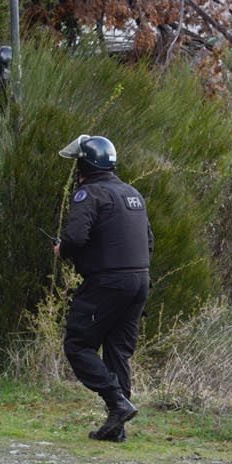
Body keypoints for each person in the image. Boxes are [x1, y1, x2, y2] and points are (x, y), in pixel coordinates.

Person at [55, 134, 153, 442]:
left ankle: (116, 402)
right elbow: (149, 240)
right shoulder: (132, 193)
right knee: (118, 353)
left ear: (84, 165)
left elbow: (74, 237)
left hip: (107, 283)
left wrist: (64, 251)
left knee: (77, 344)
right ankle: (116, 429)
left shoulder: (90, 193)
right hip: (139, 281)